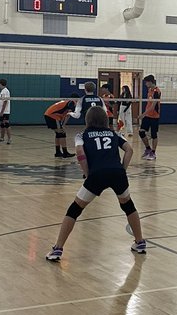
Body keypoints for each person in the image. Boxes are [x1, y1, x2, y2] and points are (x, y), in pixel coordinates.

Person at [46, 106, 146, 260]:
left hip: (96, 174)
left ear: (87, 120)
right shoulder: (114, 134)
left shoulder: (82, 135)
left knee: (74, 209)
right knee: (128, 205)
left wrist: (87, 173)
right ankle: (139, 242)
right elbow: (129, 150)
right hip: (117, 173)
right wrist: (122, 170)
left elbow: (80, 152)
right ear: (105, 120)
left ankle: (58, 248)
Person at [139, 74, 162, 160]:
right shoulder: (149, 90)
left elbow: (153, 106)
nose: (145, 84)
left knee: (153, 135)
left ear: (150, 82)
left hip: (154, 116)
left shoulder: (157, 91)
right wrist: (145, 114)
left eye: (146, 82)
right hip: (148, 115)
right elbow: (149, 104)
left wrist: (142, 114)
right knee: (141, 132)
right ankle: (148, 149)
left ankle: (153, 153)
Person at [0, 78, 11, 145]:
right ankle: (2, 138)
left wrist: (2, 111)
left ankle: (9, 139)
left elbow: (5, 102)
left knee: (6, 124)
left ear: (1, 84)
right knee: (2, 125)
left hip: (5, 112)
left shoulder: (5, 91)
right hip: (1, 111)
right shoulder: (2, 91)